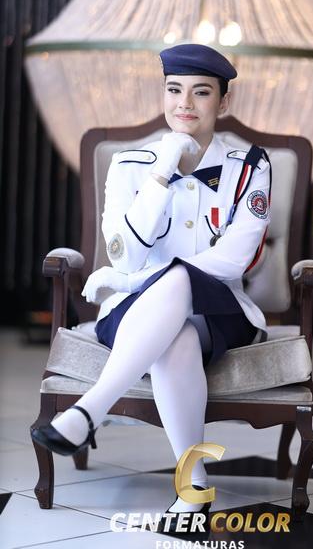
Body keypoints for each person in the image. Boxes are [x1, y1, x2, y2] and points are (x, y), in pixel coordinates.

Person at [31, 43, 272, 532]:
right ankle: (194, 487)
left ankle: (89, 409)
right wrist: (162, 170)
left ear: (223, 102)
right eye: (174, 90)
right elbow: (125, 253)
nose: (185, 103)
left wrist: (130, 281)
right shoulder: (130, 163)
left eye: (201, 92)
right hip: (137, 315)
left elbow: (233, 259)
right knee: (174, 338)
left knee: (181, 282)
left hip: (219, 312)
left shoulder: (249, 164)